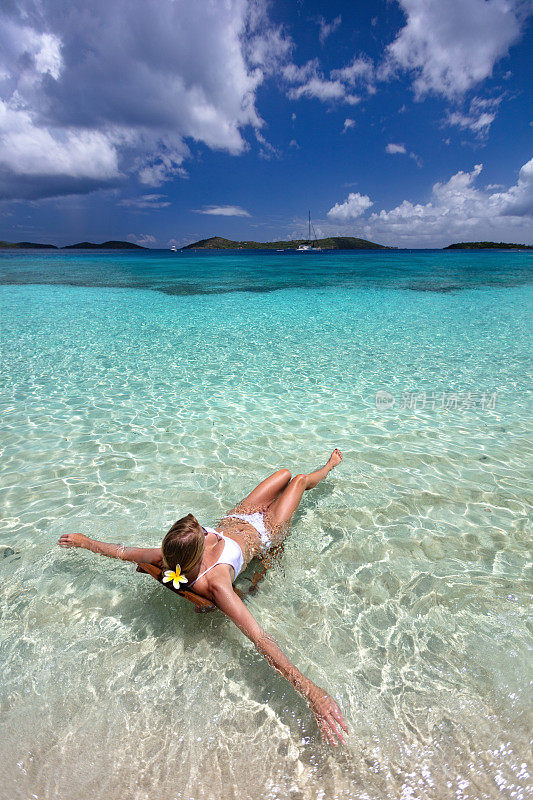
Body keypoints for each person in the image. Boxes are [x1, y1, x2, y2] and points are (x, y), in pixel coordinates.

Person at [58, 449, 348, 746]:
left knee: (282, 475)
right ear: (199, 551)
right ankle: (327, 468)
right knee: (298, 480)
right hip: (265, 532)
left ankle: (313, 473)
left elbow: (121, 551)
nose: (213, 535)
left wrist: (85, 542)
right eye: (207, 537)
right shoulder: (217, 584)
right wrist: (310, 690)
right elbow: (260, 638)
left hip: (239, 515)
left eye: (204, 530)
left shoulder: (169, 555)